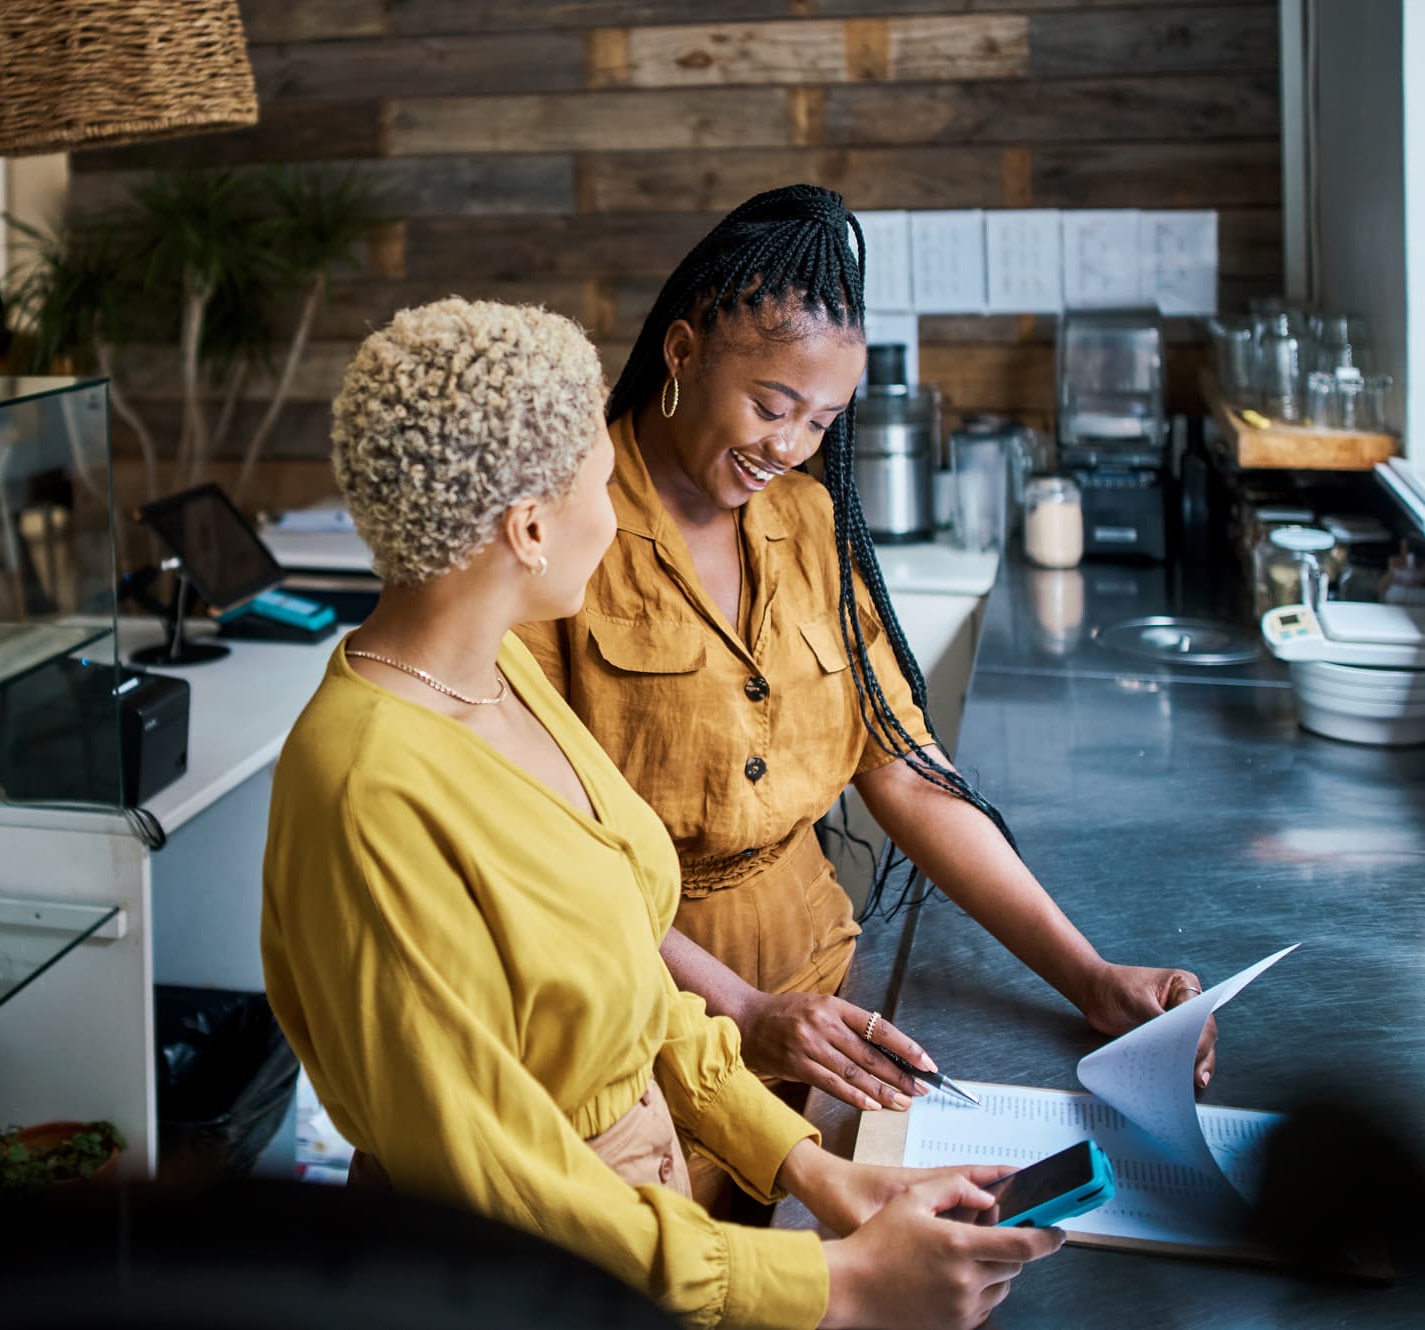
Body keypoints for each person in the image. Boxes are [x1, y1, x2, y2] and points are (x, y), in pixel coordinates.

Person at [262, 298, 1062, 1330]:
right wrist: (840, 1288)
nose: (620, 511)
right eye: (603, 481)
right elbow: (504, 1186)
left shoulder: (493, 671)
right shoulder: (366, 787)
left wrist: (816, 1172)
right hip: (518, 1282)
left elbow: (625, 985)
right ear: (530, 526)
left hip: (634, 1240)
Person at [515, 186, 1217, 1138]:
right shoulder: (561, 532)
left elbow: (906, 768)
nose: (791, 446)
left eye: (822, 421)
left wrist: (1088, 976)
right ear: (682, 353)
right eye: (772, 405)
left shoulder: (808, 523)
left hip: (821, 997)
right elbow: (544, 855)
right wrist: (747, 1016)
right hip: (642, 1025)